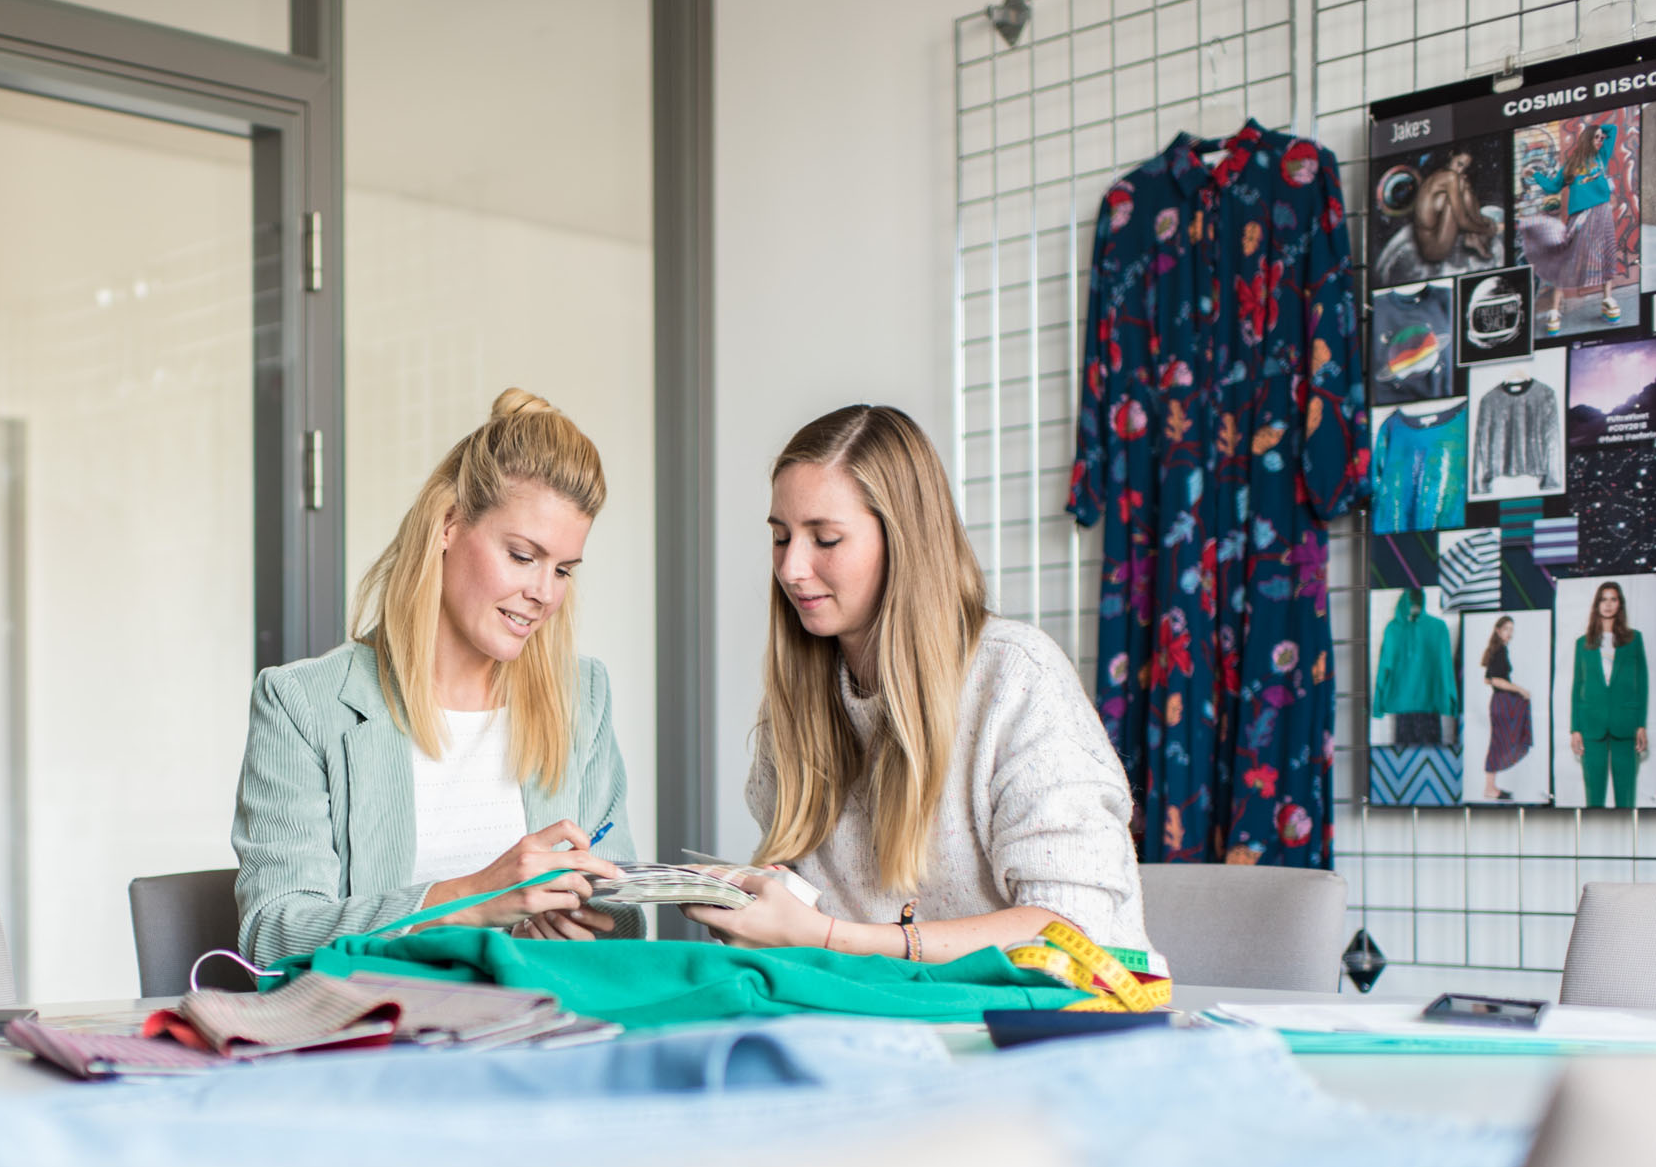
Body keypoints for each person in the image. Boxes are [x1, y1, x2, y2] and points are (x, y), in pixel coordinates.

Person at [684, 405, 1148, 959]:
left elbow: (1072, 933)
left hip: (1051, 1027)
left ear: (904, 542)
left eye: (825, 539)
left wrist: (827, 937)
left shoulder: (1018, 678)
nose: (790, 568)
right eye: (782, 537)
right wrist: (763, 910)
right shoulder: (799, 701)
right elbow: (813, 910)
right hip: (884, 1020)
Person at [232, 388, 633, 965]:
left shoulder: (582, 697)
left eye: (563, 569)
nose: (545, 594)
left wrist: (587, 916)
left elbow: (624, 914)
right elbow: (273, 936)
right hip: (382, 1039)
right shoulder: (302, 706)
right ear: (448, 525)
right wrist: (472, 900)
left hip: (541, 1030)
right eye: (523, 556)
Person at [1522, 118, 1625, 333]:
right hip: (1579, 217)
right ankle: (1554, 310)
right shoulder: (1570, 165)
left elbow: (1612, 128)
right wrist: (1536, 175)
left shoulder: (1601, 156)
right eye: (1596, 138)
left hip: (1602, 211)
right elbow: (1552, 187)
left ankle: (1607, 299)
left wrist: (1596, 129)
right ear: (1587, 139)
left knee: (1606, 254)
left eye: (1601, 138)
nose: (1600, 140)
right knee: (1565, 258)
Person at [1570, 580, 1650, 808]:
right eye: (1603, 599)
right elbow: (1577, 687)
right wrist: (1575, 728)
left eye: (1613, 599)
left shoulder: (1634, 640)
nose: (1608, 604)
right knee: (1593, 796)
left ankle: (1627, 841)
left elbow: (1642, 684)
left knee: (1626, 797)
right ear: (1597, 604)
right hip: (1591, 726)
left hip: (1625, 724)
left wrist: (1641, 724)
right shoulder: (1583, 643)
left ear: (1620, 604)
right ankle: (1592, 841)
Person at [1478, 616, 1534, 802]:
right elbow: (1494, 680)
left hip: (1499, 701)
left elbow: (1487, 679)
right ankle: (1489, 787)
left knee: (1499, 741)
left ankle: (1490, 786)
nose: (1510, 633)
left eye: (1512, 629)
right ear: (1498, 630)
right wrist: (1520, 689)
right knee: (1498, 742)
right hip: (1501, 702)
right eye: (1506, 629)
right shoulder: (1499, 651)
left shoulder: (1497, 650)